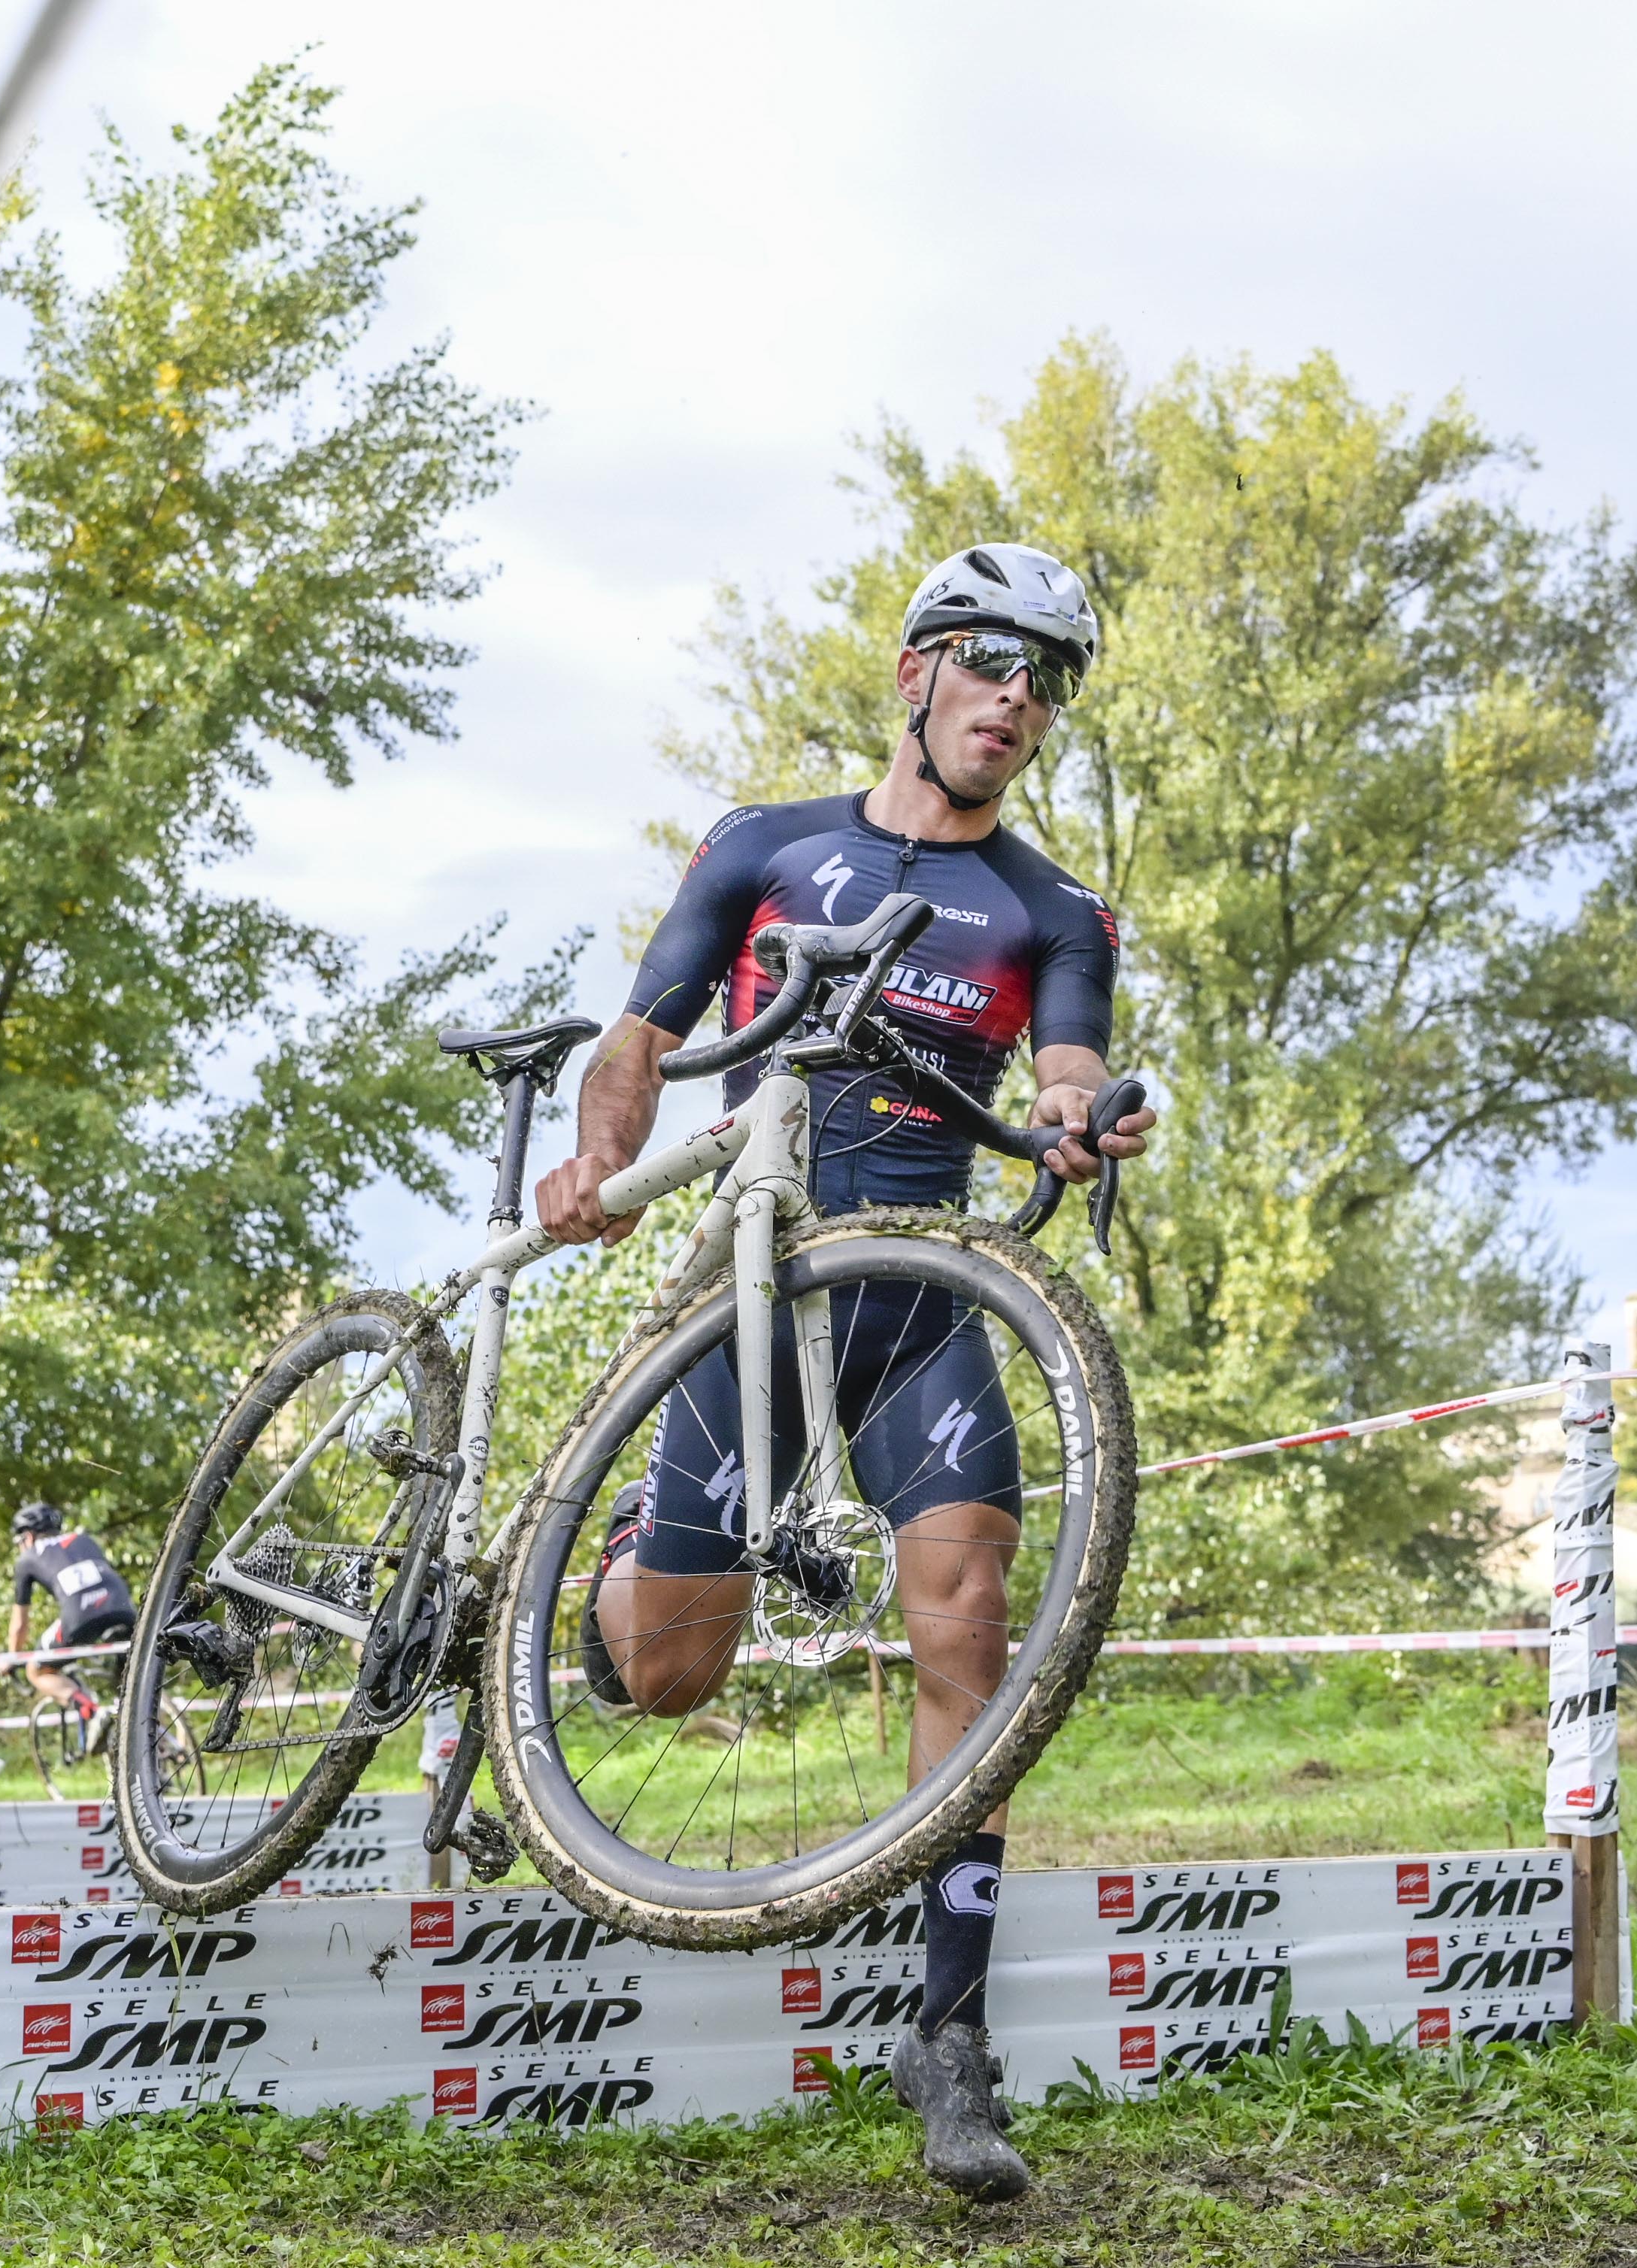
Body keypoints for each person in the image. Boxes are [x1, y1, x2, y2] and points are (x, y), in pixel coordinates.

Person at [535, 541, 1156, 2203]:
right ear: (915, 675)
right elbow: (643, 1030)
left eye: (1048, 682)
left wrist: (1084, 1113)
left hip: (920, 1289)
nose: (1017, 703)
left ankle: (944, 2029)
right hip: (744, 1284)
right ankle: (552, 1610)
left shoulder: (1048, 906)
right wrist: (597, 1159)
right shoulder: (766, 845)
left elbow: (1072, 1057)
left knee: (964, 1609)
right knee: (671, 1670)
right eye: (991, 665)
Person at [5, 1502, 136, 1750]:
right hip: (123, 1608)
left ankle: (93, 1712)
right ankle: (162, 1739)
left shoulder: (27, 1558)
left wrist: (12, 1657)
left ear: (28, 1536)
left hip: (80, 1616)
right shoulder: (83, 1539)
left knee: (36, 1669)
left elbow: (20, 1623)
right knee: (135, 1681)